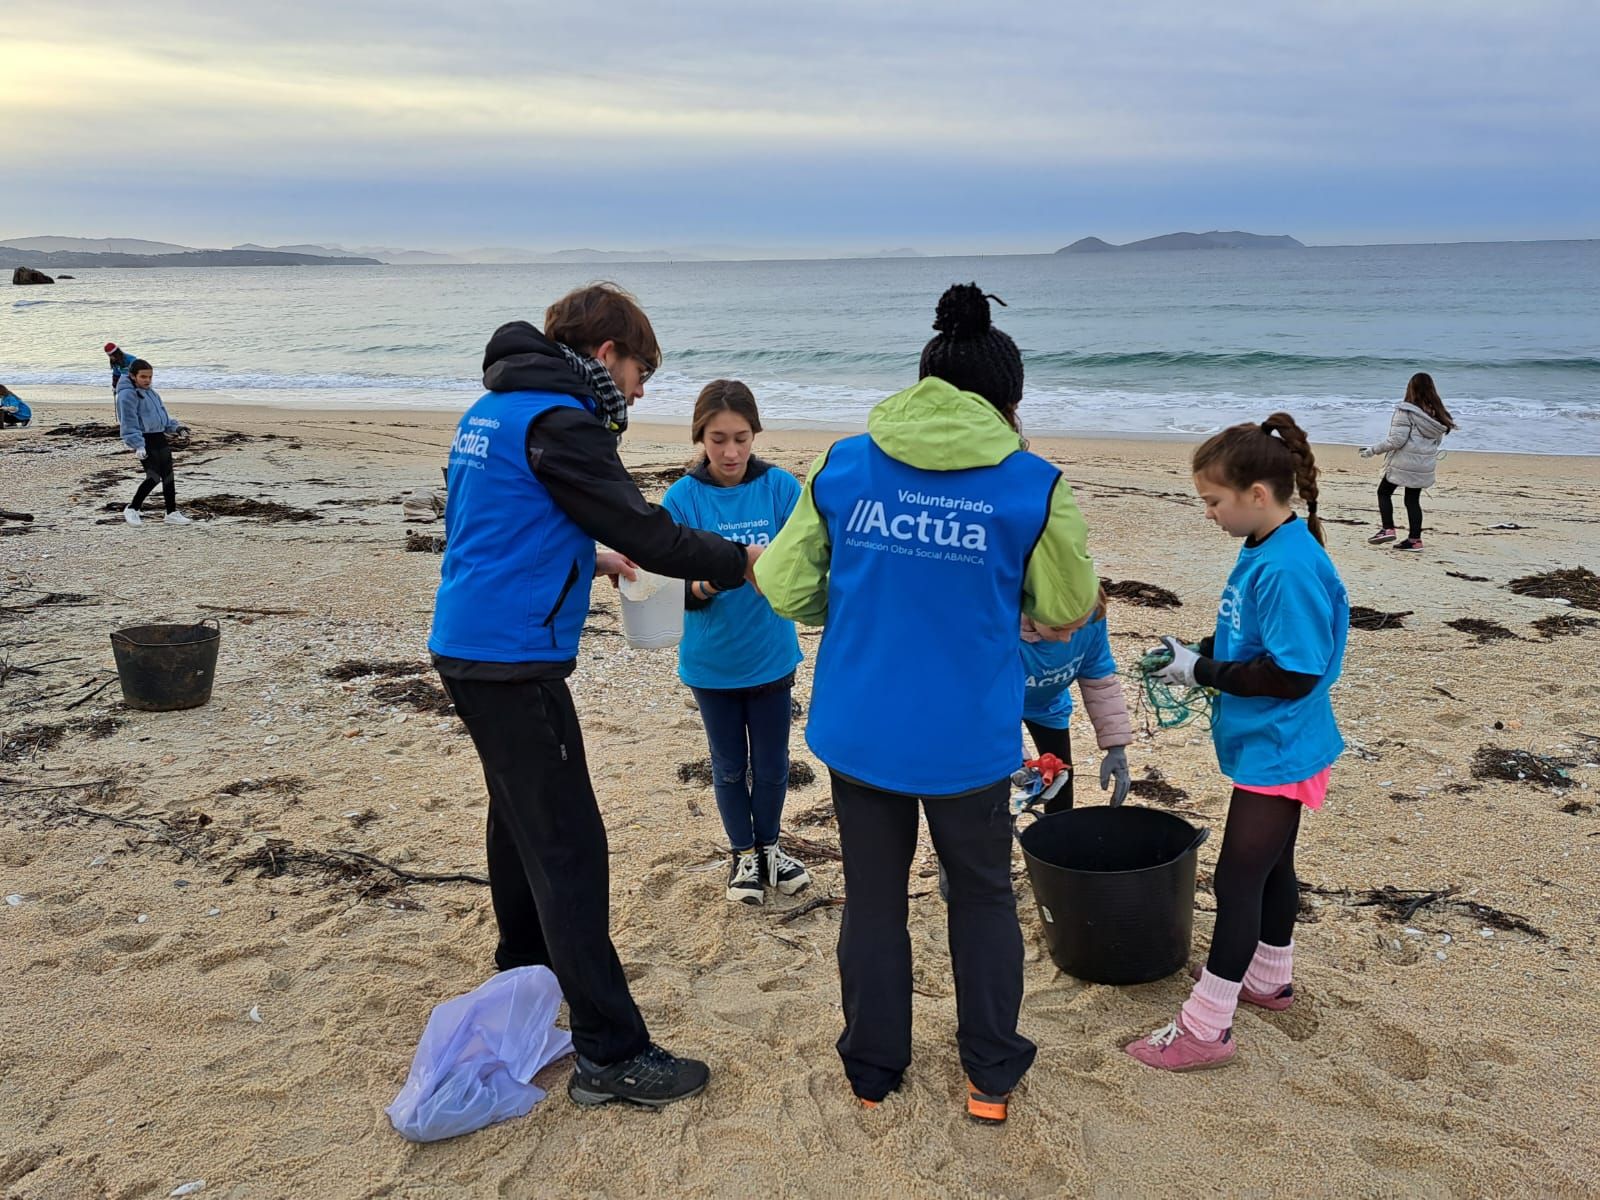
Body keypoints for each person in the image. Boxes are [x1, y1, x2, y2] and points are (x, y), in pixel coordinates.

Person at [755, 283, 1100, 1123]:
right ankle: (989, 1075)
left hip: (863, 726)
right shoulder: (1033, 483)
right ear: (1009, 402)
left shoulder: (844, 463)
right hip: (967, 738)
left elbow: (787, 584)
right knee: (981, 897)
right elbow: (1065, 609)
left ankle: (873, 1072)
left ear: (921, 382)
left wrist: (863, 597)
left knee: (874, 898)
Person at [427, 283, 760, 1111]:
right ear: (606, 354)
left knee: (518, 819)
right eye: (642, 370)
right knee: (571, 844)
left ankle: (524, 974)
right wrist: (736, 561)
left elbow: (501, 516)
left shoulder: (495, 410)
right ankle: (611, 1052)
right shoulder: (560, 420)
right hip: (510, 658)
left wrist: (590, 558)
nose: (643, 390)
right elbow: (648, 527)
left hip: (468, 639)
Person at [1127, 413, 1348, 1072]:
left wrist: (1204, 673)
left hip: (1282, 745)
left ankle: (1205, 1029)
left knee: (1237, 878)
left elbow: (1294, 671)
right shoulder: (1264, 547)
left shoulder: (1289, 566)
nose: (1208, 514)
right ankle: (1267, 980)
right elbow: (1249, 642)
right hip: (1271, 742)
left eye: (1213, 501)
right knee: (1273, 868)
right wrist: (1192, 655)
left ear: (1257, 494)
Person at [660, 380, 810, 907]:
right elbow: (670, 591)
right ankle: (742, 854)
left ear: (755, 435)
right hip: (711, 663)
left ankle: (771, 847)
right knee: (727, 765)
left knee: (772, 764)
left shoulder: (781, 489)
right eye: (718, 438)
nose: (730, 452)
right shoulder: (683, 499)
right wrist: (719, 576)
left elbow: (805, 564)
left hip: (771, 655)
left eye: (741, 438)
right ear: (700, 436)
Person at [1019, 608, 1132, 812]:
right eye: (1058, 628)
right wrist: (1019, 762)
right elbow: (984, 707)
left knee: (1061, 777)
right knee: (996, 781)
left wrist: (1116, 748)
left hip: (1049, 704)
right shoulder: (1000, 630)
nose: (1066, 638)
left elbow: (1100, 681)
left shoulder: (1092, 616)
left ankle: (1058, 839)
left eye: (1076, 628)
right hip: (996, 706)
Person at [1360, 372, 1457, 552]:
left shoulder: (1406, 411)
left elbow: (1396, 441)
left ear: (1411, 388)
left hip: (1404, 461)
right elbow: (1436, 442)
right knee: (1412, 500)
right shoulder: (1438, 414)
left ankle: (1387, 528)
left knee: (1383, 492)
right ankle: (1415, 540)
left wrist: (1372, 451)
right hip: (1424, 464)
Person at [115, 360, 192, 526]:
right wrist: (138, 445)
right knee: (154, 477)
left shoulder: (151, 393)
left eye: (150, 377)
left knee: (168, 476)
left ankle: (171, 512)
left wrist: (177, 428)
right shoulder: (127, 395)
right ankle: (132, 508)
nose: (147, 380)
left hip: (159, 437)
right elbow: (128, 422)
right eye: (143, 376)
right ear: (132, 376)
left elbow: (163, 418)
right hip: (144, 440)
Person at [105, 342, 139, 409]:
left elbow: (138, 372)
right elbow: (116, 375)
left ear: (117, 353)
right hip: (125, 384)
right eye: (109, 356)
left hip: (136, 384)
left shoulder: (131, 359)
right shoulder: (115, 362)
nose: (111, 358)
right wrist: (114, 387)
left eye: (112, 355)